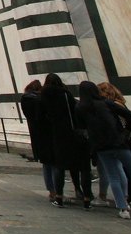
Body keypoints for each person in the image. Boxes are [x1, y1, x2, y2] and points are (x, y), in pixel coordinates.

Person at [76, 81, 131, 220]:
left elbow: (81, 128)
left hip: (101, 146)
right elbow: (129, 115)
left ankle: (123, 208)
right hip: (119, 143)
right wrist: (127, 132)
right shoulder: (106, 103)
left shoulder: (80, 107)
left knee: (113, 176)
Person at [40, 73, 92, 208]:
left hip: (56, 135)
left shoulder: (43, 96)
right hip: (73, 133)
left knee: (59, 166)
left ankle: (58, 196)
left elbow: (41, 116)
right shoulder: (65, 94)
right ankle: (85, 197)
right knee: (82, 166)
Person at [21, 79, 55, 202]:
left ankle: (52, 190)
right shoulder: (40, 100)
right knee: (54, 163)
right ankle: (56, 190)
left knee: (46, 164)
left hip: (36, 136)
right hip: (48, 135)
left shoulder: (25, 99)